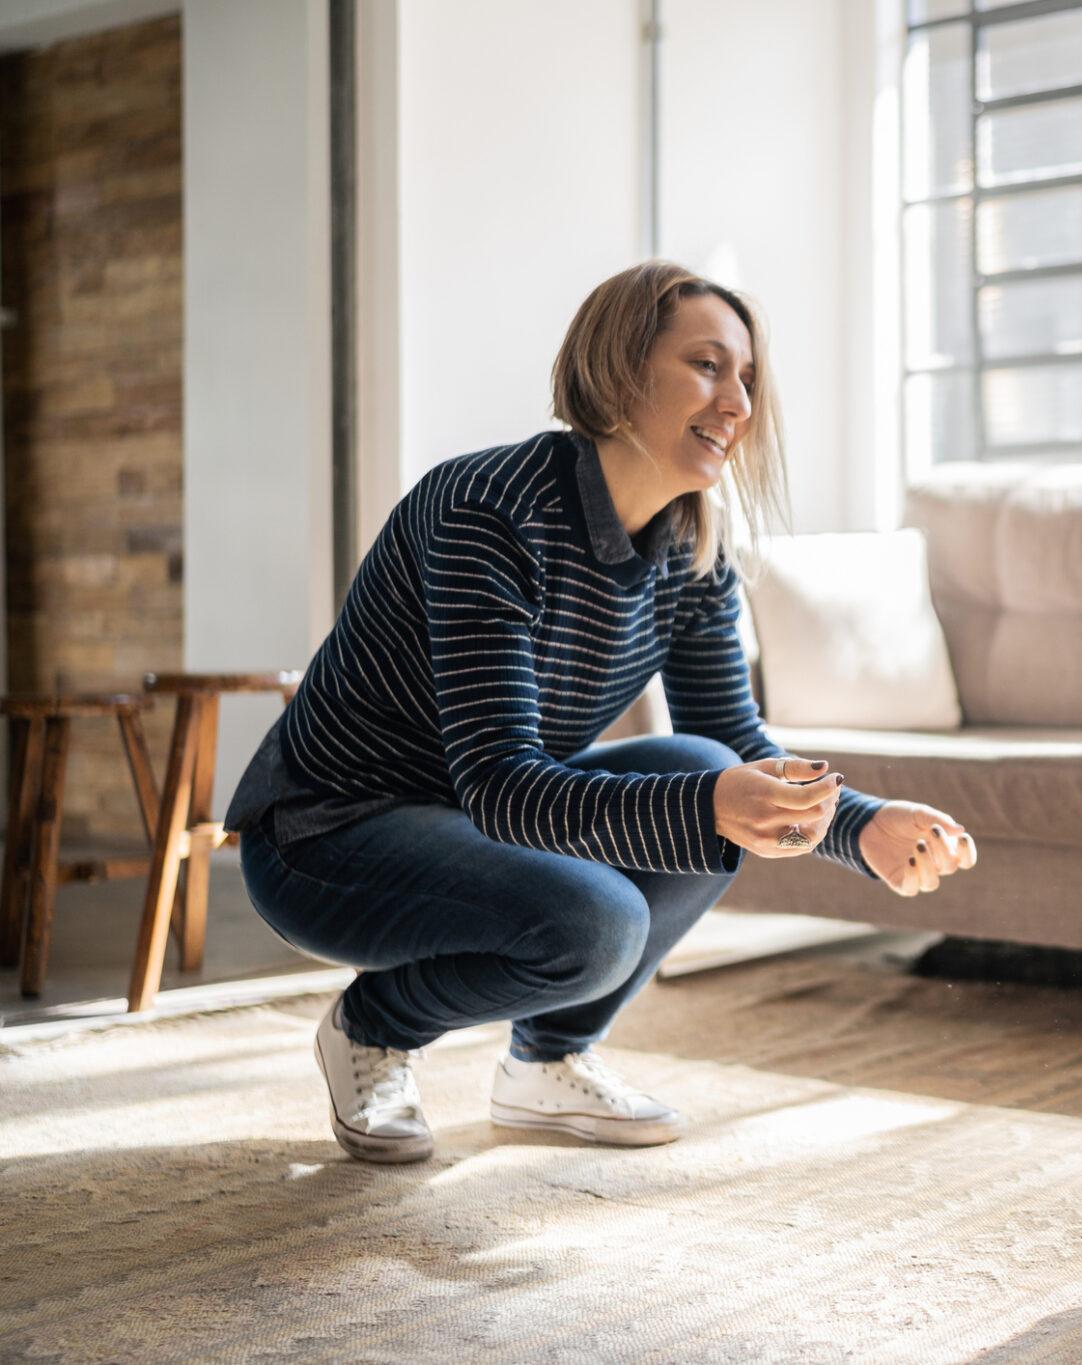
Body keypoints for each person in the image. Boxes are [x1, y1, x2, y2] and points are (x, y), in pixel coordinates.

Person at [225, 261, 978, 1166]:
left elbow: (738, 749)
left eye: (748, 377)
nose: (738, 402)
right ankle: (371, 1028)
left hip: (469, 822)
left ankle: (546, 1061)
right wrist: (710, 809)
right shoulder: (486, 511)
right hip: (326, 837)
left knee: (703, 761)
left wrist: (860, 827)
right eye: (707, 364)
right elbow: (503, 787)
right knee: (598, 920)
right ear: (621, 369)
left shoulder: (695, 551)